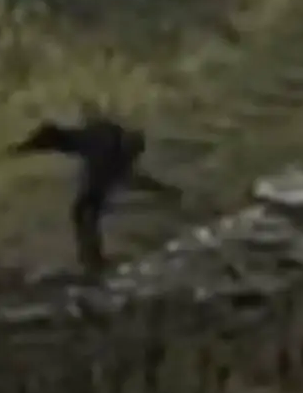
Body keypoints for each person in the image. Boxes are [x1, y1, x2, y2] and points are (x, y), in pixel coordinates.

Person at [10, 113, 183, 274]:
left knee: (86, 210)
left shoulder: (109, 153)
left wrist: (162, 189)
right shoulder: (100, 140)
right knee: (87, 209)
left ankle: (93, 261)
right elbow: (129, 175)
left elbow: (132, 177)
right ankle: (93, 260)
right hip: (103, 148)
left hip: (102, 157)